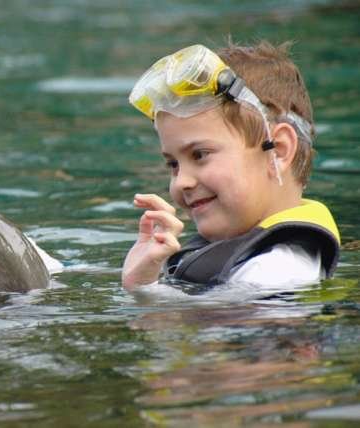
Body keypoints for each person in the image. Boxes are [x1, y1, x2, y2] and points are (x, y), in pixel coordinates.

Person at [121, 41, 340, 297]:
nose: (181, 182)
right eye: (173, 164)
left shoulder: (276, 272)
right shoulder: (251, 256)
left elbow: (222, 327)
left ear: (278, 150)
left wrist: (141, 290)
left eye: (200, 155)